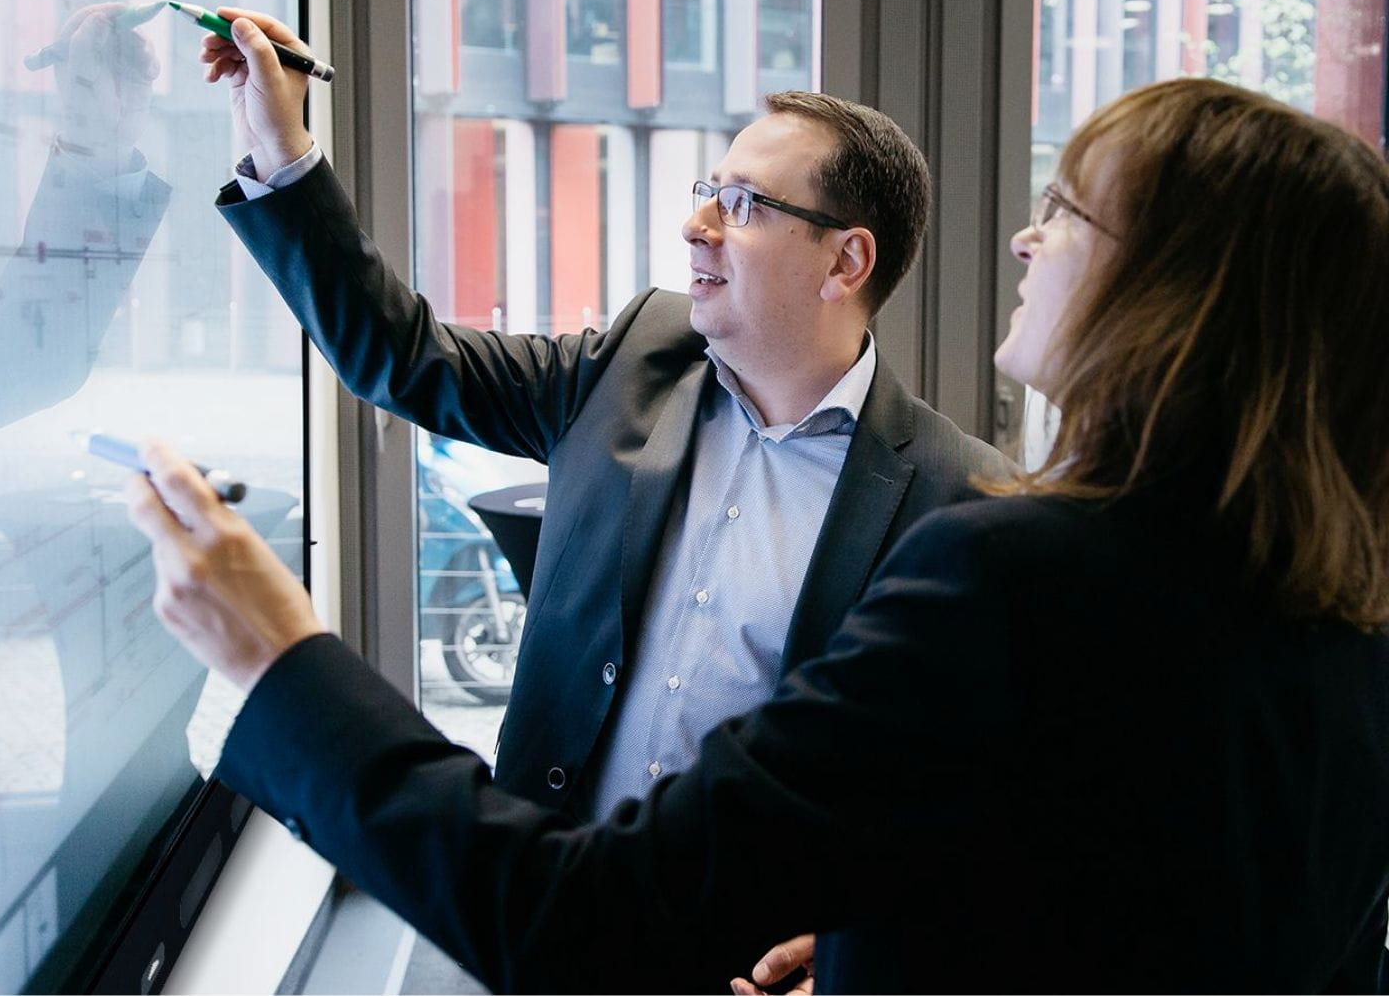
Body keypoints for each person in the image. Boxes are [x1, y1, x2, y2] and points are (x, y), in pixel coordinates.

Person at [129, 76, 1389, 992]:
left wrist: (286, 664)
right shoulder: (1336, 628)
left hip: (625, 926)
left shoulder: (986, 533)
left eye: (1066, 210)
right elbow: (1070, 900)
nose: (1023, 233)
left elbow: (602, 911)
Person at [196, 8, 1010, 820]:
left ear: (846, 260)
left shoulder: (952, 497)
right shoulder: (636, 360)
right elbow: (402, 358)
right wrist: (282, 148)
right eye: (706, 193)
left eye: (740, 203)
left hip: (748, 941)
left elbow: (952, 788)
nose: (696, 226)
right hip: (552, 896)